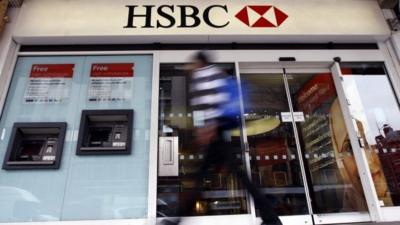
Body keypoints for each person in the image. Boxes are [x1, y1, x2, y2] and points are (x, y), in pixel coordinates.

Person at [160, 51, 282, 225]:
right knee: (210, 178)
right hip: (216, 136)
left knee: (207, 179)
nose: (191, 66)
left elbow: (215, 102)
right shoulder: (211, 75)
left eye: (193, 63)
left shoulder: (207, 75)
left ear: (199, 62)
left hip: (216, 135)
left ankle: (271, 218)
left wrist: (209, 127)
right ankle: (271, 218)